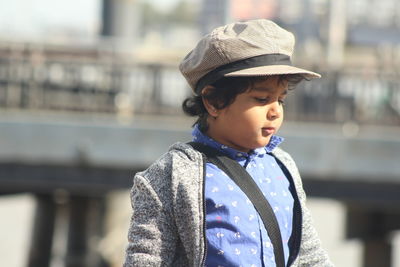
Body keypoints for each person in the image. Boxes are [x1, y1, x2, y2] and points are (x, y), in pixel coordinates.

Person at [124, 19, 334, 267]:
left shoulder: (283, 166)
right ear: (213, 101)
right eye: (262, 98)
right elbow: (145, 260)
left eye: (281, 100)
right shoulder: (171, 175)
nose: (275, 111)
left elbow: (309, 256)